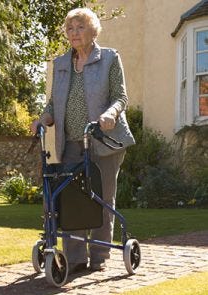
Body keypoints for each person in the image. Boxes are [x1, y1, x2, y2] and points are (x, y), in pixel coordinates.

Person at [31, 7, 135, 274]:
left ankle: (99, 257)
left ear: (92, 31)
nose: (74, 33)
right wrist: (42, 119)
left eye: (80, 27)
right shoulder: (61, 64)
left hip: (104, 140)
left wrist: (110, 114)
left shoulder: (110, 58)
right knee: (70, 199)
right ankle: (75, 258)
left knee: (102, 197)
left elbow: (121, 97)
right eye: (70, 28)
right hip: (72, 143)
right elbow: (53, 104)